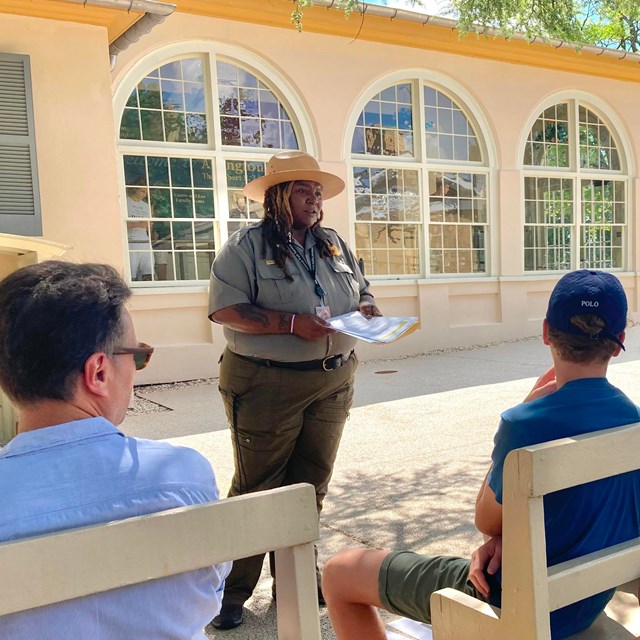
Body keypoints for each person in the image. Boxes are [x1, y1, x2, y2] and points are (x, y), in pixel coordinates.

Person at [323, 269, 640, 640]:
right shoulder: (631, 421)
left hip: (509, 598)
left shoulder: (525, 422)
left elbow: (486, 519)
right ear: (619, 340)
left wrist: (526, 405)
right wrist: (508, 538)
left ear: (545, 332)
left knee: (339, 571)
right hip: (584, 603)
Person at [0, 260, 231, 639]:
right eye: (137, 355)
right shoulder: (185, 476)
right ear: (99, 373)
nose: (137, 370)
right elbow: (208, 597)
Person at [208, 150, 382, 630]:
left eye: (318, 191)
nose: (314, 199)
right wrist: (289, 323)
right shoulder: (244, 248)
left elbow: (362, 288)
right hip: (267, 381)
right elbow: (225, 310)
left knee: (310, 485)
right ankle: (229, 593)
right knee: (257, 488)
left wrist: (366, 305)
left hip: (334, 378)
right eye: (304, 190)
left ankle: (296, 580)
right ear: (277, 195)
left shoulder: (333, 245)